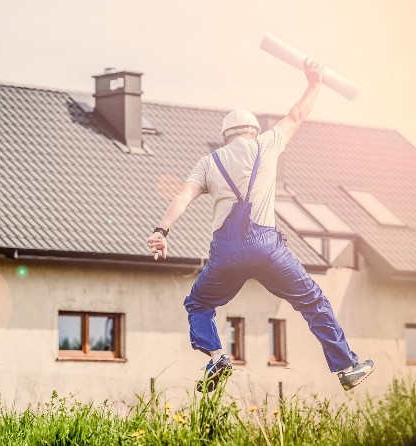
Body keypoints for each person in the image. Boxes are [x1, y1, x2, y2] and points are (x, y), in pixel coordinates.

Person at [147, 59, 374, 392]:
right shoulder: (266, 144)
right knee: (313, 302)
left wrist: (161, 231)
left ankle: (217, 357)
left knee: (199, 303)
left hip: (226, 255)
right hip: (268, 250)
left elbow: (182, 197)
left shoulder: (208, 162)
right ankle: (347, 366)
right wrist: (314, 84)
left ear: (225, 137)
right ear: (252, 131)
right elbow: (297, 115)